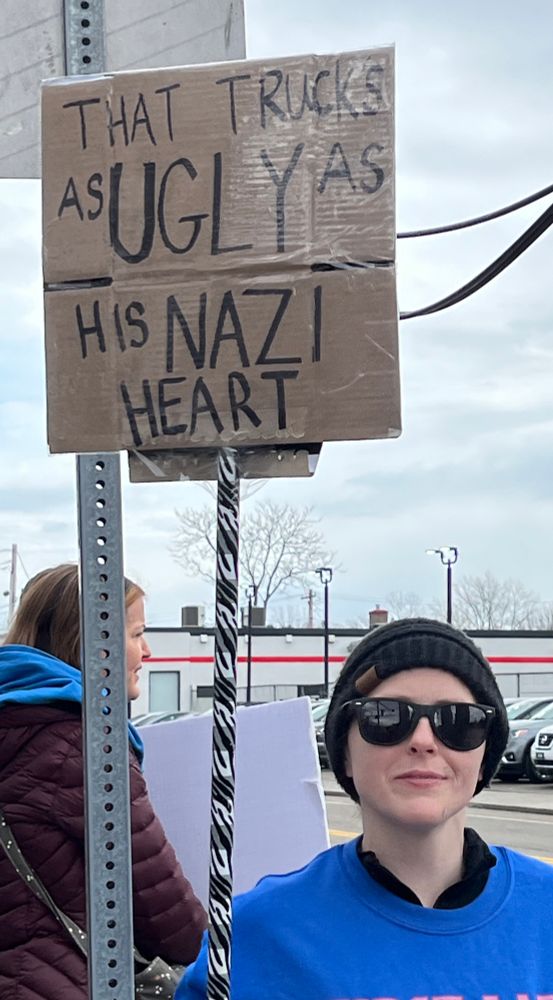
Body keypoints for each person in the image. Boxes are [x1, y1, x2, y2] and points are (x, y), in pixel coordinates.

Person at [178, 617, 553, 1000]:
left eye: (459, 722)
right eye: (387, 716)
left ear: (485, 754)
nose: (423, 741)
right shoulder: (256, 935)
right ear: (344, 753)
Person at [0, 564, 207, 1000]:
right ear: (94, 643)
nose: (147, 651)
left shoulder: (16, 723)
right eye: (135, 635)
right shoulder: (84, 745)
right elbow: (172, 922)